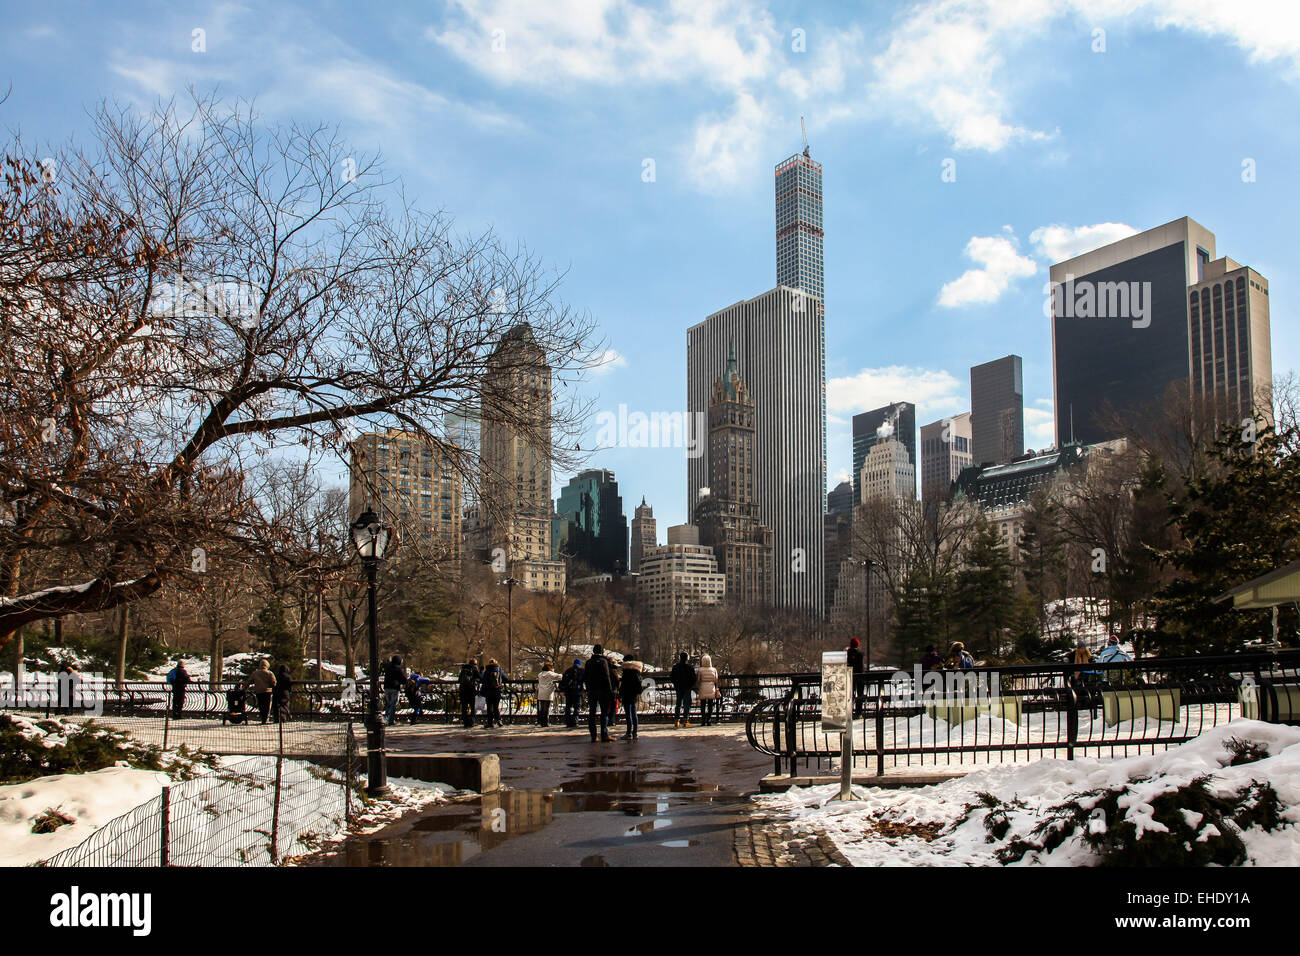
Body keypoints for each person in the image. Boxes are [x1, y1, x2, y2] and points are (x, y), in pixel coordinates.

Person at [583, 645, 617, 743]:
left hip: (591, 691)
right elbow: (606, 676)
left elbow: (585, 676)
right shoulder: (603, 662)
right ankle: (604, 734)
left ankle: (593, 736)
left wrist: (588, 688)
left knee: (592, 713)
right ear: (602, 652)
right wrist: (610, 691)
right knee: (604, 713)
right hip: (603, 691)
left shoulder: (589, 662)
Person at [618, 655, 644, 740]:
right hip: (634, 694)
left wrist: (620, 694)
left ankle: (628, 733)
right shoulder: (636, 671)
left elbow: (623, 685)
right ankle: (635, 732)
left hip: (626, 694)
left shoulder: (626, 672)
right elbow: (639, 684)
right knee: (634, 713)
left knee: (628, 714)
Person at [243, 659, 276, 724]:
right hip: (267, 692)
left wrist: (244, 688)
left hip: (259, 691)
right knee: (267, 706)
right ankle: (266, 719)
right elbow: (273, 683)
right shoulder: (269, 673)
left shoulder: (255, 673)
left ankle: (262, 718)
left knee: (261, 705)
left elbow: (249, 681)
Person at [670, 653, 695, 728]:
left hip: (678, 687)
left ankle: (676, 720)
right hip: (687, 687)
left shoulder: (675, 667)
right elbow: (693, 678)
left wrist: (676, 684)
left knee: (678, 704)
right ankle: (685, 720)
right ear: (687, 658)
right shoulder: (690, 667)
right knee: (686, 704)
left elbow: (672, 677)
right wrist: (690, 686)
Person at [696, 654, 720, 726]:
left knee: (703, 704)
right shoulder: (713, 669)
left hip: (703, 687)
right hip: (711, 687)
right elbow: (716, 680)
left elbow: (698, 680)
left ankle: (703, 720)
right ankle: (709, 719)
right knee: (710, 704)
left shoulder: (700, 670)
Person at [480, 659, 506, 727]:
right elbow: (506, 679)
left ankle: (490, 723)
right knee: (496, 707)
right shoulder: (499, 670)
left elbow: (484, 681)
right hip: (497, 691)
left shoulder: (487, 671)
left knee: (489, 708)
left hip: (489, 691)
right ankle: (499, 720)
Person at [536, 661, 562, 727]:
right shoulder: (550, 674)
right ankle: (546, 722)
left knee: (542, 708)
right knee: (546, 708)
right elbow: (559, 676)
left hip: (541, 692)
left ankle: (541, 722)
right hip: (548, 693)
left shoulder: (540, 674)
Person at [559, 658, 584, 727]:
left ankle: (568, 722)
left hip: (568, 691)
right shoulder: (581, 671)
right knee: (577, 707)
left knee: (568, 707)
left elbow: (563, 681)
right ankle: (575, 721)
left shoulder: (568, 670)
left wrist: (562, 690)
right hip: (577, 691)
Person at [383, 655, 407, 726]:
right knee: (393, 704)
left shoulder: (388, 667)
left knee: (389, 703)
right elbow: (403, 679)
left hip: (387, 687)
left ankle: (386, 719)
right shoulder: (398, 668)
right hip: (394, 687)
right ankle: (391, 720)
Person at [457, 659, 481, 728]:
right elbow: (481, 678)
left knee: (464, 707)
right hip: (471, 691)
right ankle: (472, 722)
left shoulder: (463, 670)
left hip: (463, 691)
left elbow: (459, 680)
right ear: (475, 664)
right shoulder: (474, 670)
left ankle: (465, 722)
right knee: (472, 707)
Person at [847, 637, 865, 717]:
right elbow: (861, 667)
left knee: (850, 695)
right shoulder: (860, 654)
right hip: (860, 676)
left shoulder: (847, 653)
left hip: (850, 676)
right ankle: (859, 712)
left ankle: (849, 712)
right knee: (860, 694)